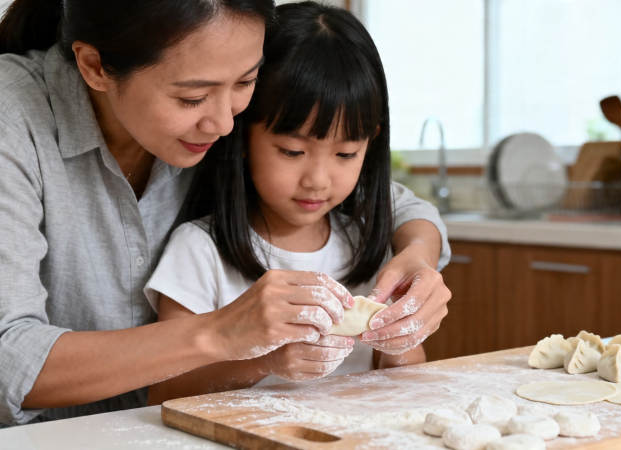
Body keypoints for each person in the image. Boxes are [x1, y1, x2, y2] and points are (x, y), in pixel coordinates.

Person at [0, 0, 451, 426]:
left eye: (246, 82)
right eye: (191, 98)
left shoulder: (217, 120)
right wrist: (221, 334)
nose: (224, 124)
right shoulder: (13, 116)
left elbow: (387, 199)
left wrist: (419, 252)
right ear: (95, 66)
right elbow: (9, 358)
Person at [145, 2, 435, 403]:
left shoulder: (371, 246)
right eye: (292, 152)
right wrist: (264, 361)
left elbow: (409, 385)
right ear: (243, 136)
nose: (317, 179)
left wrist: (398, 339)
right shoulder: (200, 250)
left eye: (346, 154)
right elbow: (164, 389)